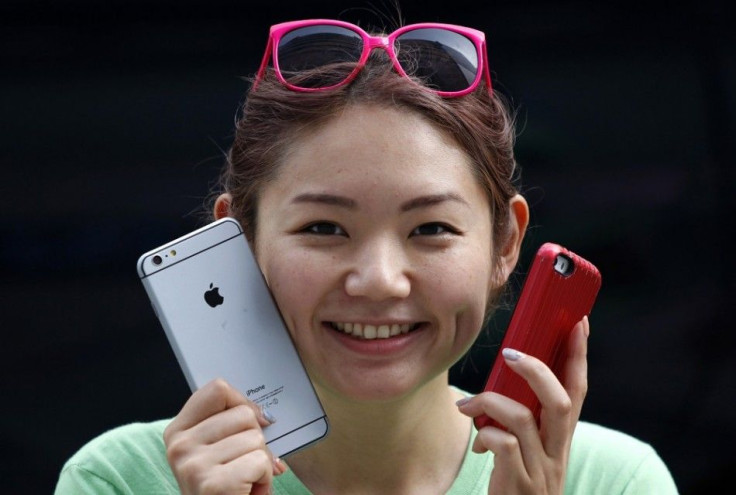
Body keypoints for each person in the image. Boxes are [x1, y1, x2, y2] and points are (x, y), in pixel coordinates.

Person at [55, 18, 678, 494]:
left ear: (506, 244)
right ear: (237, 243)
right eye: (325, 227)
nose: (379, 280)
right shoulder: (121, 478)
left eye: (431, 228)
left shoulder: (612, 480)